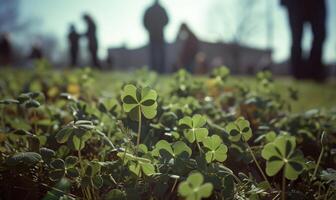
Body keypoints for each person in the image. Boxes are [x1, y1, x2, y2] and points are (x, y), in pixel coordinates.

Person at [281, 0, 327, 81]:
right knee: (296, 37)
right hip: (294, 3)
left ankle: (315, 72)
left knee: (319, 35)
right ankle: (298, 73)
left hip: (317, 3)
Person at [143, 0, 169, 73]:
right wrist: (150, 28)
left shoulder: (151, 9)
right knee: (154, 53)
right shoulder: (161, 9)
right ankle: (157, 71)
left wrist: (152, 28)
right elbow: (144, 21)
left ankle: (159, 71)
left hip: (157, 34)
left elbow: (167, 20)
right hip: (155, 34)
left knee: (159, 53)